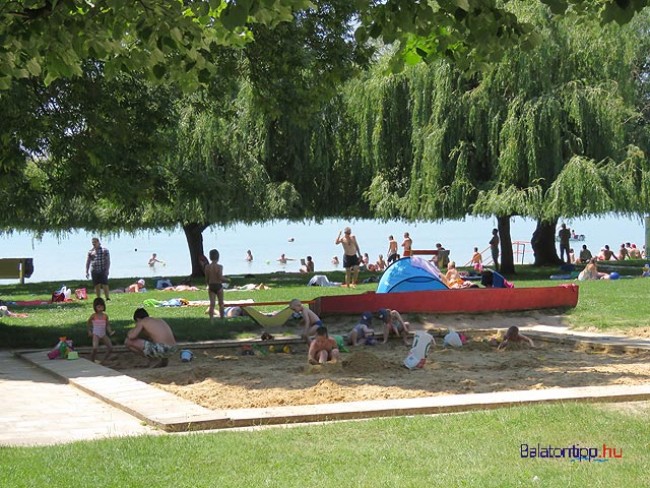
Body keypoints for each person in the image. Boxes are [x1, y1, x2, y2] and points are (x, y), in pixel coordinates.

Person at [87, 297, 114, 363]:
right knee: (95, 348)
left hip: (103, 334)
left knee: (110, 347)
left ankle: (103, 360)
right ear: (95, 307)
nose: (100, 309)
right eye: (98, 307)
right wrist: (89, 331)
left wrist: (110, 331)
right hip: (96, 334)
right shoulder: (93, 316)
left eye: (101, 307)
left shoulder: (105, 316)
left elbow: (107, 325)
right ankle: (92, 360)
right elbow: (88, 323)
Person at [204, 249, 229, 320]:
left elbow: (207, 278)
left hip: (211, 286)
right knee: (221, 304)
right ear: (218, 257)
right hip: (218, 286)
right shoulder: (220, 267)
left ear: (210, 257)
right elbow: (220, 277)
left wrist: (207, 284)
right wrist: (228, 280)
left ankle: (211, 320)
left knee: (212, 304)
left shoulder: (207, 267)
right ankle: (222, 319)